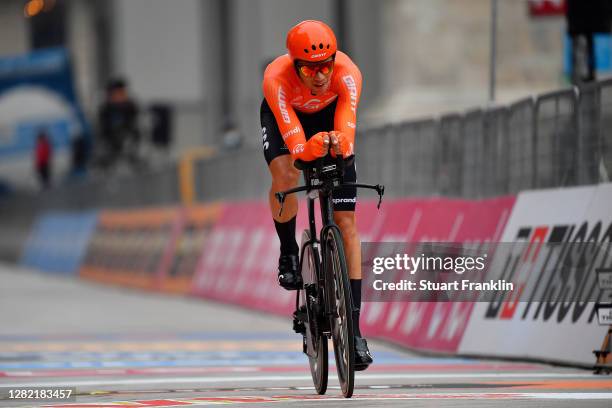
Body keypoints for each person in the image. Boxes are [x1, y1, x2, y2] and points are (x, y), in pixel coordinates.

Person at [260, 20, 372, 370]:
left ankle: (353, 332)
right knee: (286, 172)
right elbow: (296, 149)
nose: (320, 75)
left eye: (326, 66)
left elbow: (347, 128)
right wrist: (307, 149)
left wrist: (337, 145)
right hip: (288, 122)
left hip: (329, 117)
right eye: (311, 68)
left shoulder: (348, 73)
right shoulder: (275, 78)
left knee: (347, 224)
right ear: (295, 65)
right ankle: (289, 252)